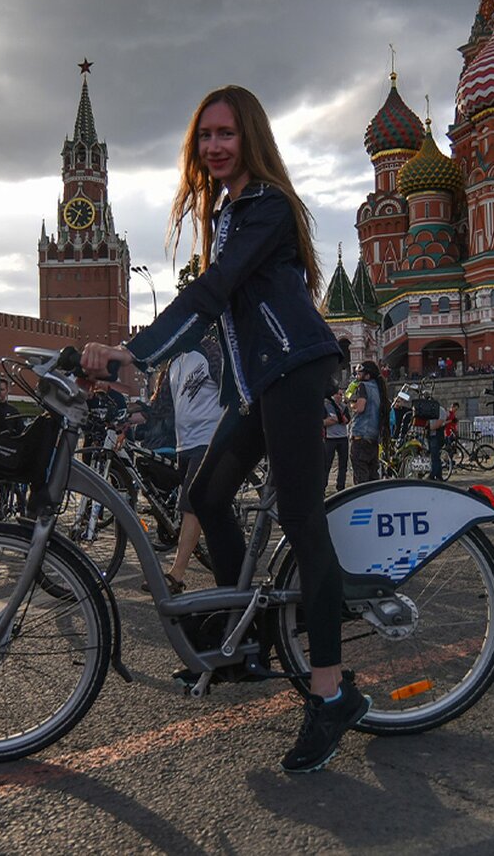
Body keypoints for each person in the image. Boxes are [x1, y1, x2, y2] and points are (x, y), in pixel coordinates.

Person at [80, 85, 369, 773]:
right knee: (205, 498)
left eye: (226, 135)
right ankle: (247, 644)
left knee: (304, 524)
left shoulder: (267, 206)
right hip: (259, 387)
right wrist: (138, 354)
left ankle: (330, 696)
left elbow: (211, 294)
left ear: (251, 140)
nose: (213, 146)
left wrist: (135, 349)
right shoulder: (232, 212)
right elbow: (216, 306)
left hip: (296, 373)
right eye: (205, 135)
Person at [152, 334, 224, 594]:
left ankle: (176, 574)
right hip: (185, 444)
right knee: (211, 513)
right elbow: (159, 407)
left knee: (191, 505)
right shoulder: (173, 364)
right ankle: (231, 575)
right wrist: (128, 419)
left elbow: (232, 391)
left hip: (209, 440)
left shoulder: (211, 351)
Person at [349, 360, 389, 484]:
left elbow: (360, 407)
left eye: (359, 373)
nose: (357, 377)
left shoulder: (363, 386)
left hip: (361, 435)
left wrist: (351, 405)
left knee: (361, 477)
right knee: (372, 478)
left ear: (367, 375)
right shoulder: (379, 389)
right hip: (373, 438)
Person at [322, 382, 350, 491]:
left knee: (343, 464)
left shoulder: (343, 407)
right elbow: (323, 422)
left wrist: (334, 420)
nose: (339, 396)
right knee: (327, 464)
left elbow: (346, 420)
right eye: (337, 394)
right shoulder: (326, 406)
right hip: (330, 438)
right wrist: (336, 420)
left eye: (340, 395)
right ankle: (323, 486)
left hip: (343, 437)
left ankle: (341, 486)